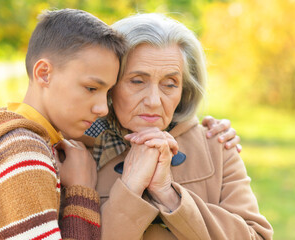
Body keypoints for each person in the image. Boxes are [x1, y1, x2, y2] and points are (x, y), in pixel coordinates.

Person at [94, 13, 273, 239]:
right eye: (137, 81)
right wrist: (130, 188)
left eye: (169, 84)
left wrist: (168, 194)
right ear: (110, 83)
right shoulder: (77, 151)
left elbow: (256, 236)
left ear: (185, 90)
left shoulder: (217, 145)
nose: (154, 100)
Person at [0, 9, 126, 239]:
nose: (103, 108)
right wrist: (81, 192)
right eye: (91, 88)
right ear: (44, 74)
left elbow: (115, 134)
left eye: (107, 92)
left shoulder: (28, 136)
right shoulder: (23, 151)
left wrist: (198, 130)